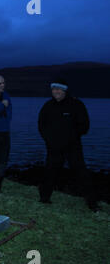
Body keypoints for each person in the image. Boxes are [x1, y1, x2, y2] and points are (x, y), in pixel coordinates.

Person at [38, 78, 98, 211]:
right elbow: (41, 125)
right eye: (54, 89)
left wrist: (71, 137)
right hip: (53, 147)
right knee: (49, 172)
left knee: (81, 173)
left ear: (65, 90)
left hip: (73, 147)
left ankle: (92, 204)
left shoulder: (76, 104)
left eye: (59, 89)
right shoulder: (48, 106)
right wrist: (49, 140)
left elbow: (84, 126)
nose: (56, 91)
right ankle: (44, 198)